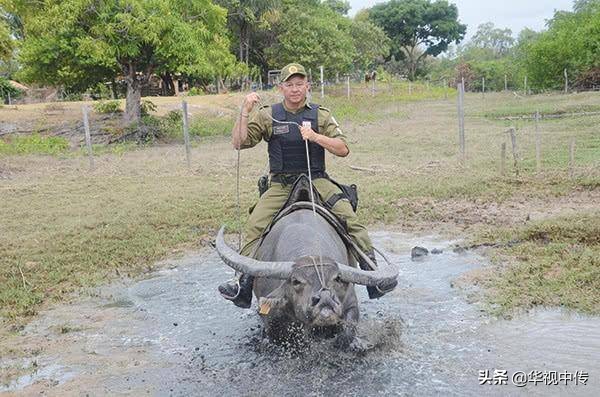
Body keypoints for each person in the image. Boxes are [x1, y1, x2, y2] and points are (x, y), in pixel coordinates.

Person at [218, 63, 394, 308]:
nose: (295, 89)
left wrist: (316, 137)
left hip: (317, 180)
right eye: (289, 84)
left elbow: (343, 148)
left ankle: (373, 276)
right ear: (281, 88)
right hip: (281, 184)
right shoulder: (268, 114)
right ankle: (243, 283)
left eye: (299, 84)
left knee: (351, 220)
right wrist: (245, 112)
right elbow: (238, 142)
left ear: (307, 85)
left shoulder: (321, 114)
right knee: (254, 225)